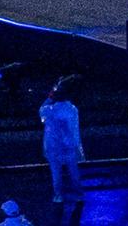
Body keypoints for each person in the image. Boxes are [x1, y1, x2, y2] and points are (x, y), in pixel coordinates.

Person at [41, 76, 85, 223]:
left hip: (54, 148)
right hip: (68, 147)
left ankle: (58, 196)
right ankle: (79, 195)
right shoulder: (72, 109)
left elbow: (41, 113)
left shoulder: (48, 110)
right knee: (73, 172)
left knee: (56, 173)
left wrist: (50, 95)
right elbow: (75, 131)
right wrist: (79, 149)